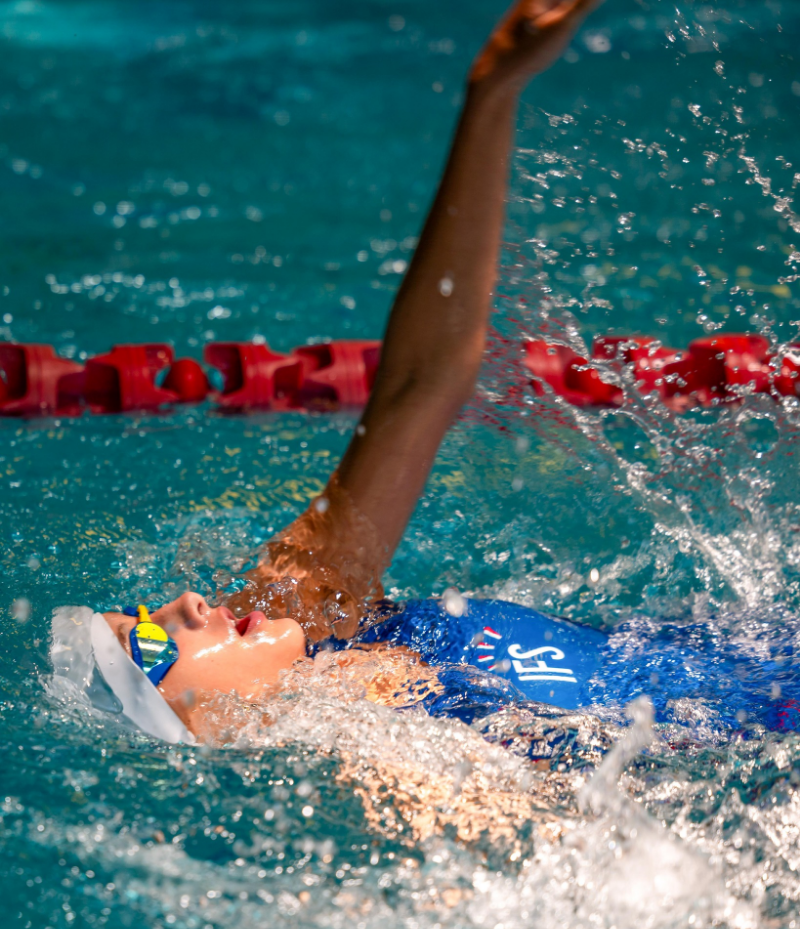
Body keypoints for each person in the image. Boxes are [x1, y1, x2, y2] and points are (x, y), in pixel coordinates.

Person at [51, 0, 798, 746]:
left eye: (147, 611)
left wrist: (493, 89)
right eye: (151, 646)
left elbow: (420, 383)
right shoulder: (394, 774)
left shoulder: (317, 610)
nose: (182, 603)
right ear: (196, 723)